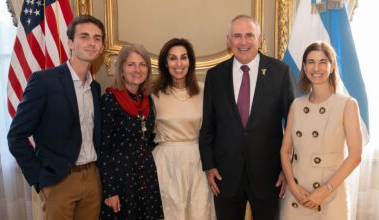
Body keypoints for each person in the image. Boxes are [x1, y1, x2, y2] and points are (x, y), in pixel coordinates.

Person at [199, 15, 296, 220]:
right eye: (237, 36)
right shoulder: (215, 75)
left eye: (249, 35)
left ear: (260, 39)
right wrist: (209, 166)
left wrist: (288, 168)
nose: (243, 42)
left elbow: (294, 125)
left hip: (269, 175)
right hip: (225, 175)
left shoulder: (280, 71)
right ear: (228, 40)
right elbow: (208, 125)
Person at [7, 15, 105, 219]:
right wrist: (40, 180)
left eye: (97, 38)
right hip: (60, 181)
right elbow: (16, 136)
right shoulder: (45, 81)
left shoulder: (95, 88)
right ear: (70, 43)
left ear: (102, 47)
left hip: (92, 179)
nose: (91, 43)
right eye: (84, 36)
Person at [279, 41, 362, 219]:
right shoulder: (297, 105)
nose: (316, 68)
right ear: (304, 66)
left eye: (323, 62)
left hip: (330, 196)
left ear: (332, 67)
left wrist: (325, 191)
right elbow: (285, 152)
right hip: (297, 196)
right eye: (310, 62)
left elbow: (355, 156)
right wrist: (293, 187)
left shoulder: (347, 104)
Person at [152, 38, 215, 220]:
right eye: (172, 58)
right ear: (165, 63)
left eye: (183, 58)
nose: (178, 63)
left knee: (198, 212)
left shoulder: (204, 91)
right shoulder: (153, 93)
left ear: (190, 62)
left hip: (197, 162)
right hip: (165, 163)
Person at [99, 44, 164, 220]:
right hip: (121, 178)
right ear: (121, 70)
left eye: (142, 64)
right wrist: (110, 190)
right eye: (131, 64)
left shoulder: (147, 100)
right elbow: (103, 150)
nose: (137, 70)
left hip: (146, 175)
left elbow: (148, 138)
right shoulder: (109, 100)